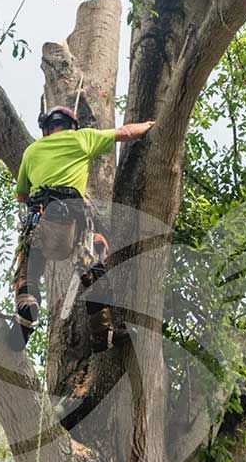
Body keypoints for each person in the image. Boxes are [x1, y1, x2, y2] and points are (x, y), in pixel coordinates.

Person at [11, 105, 154, 348]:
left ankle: (26, 314)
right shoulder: (82, 138)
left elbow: (22, 195)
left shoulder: (32, 151)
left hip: (40, 218)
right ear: (72, 125)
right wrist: (151, 125)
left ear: (46, 129)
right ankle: (103, 333)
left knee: (27, 270)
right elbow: (126, 132)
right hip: (74, 221)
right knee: (94, 269)